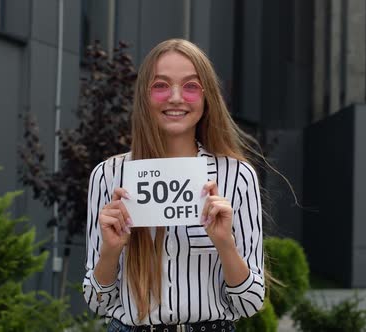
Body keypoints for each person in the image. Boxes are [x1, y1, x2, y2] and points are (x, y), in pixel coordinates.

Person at [83, 39, 264, 332]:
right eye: (161, 86)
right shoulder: (108, 176)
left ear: (207, 99)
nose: (176, 97)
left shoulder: (237, 175)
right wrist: (111, 250)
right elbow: (97, 302)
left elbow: (251, 303)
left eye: (191, 86)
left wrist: (225, 243)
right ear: (144, 95)